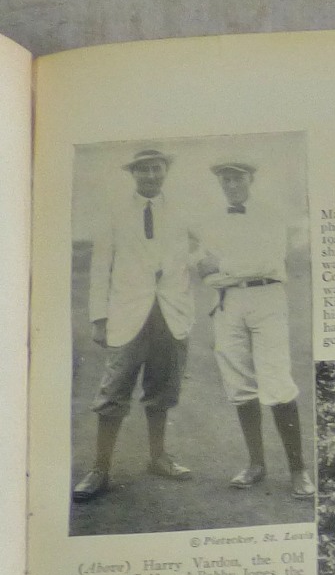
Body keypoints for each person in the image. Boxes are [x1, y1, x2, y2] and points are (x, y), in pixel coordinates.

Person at [73, 147, 196, 502]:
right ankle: (99, 469)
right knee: (113, 392)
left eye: (156, 169)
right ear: (134, 174)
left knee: (163, 390)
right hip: (128, 313)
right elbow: (100, 266)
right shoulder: (115, 211)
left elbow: (203, 247)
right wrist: (99, 318)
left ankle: (158, 458)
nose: (150, 176)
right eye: (143, 170)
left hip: (170, 313)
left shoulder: (181, 210)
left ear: (165, 171)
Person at [196, 159, 314, 498]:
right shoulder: (212, 221)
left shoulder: (270, 215)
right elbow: (206, 270)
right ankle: (256, 464)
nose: (232, 184)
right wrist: (231, 269)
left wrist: (226, 264)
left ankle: (298, 471)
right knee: (240, 384)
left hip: (267, 299)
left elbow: (269, 261)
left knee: (277, 382)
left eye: (237, 178)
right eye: (226, 179)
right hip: (228, 302)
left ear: (251, 179)